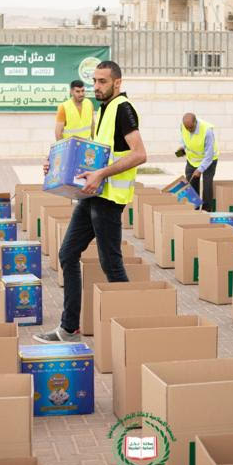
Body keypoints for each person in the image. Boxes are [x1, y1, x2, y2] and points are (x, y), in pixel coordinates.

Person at [34, 60, 146, 343]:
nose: (96, 87)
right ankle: (69, 327)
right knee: (68, 253)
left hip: (109, 199)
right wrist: (55, 165)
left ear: (117, 83)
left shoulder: (123, 109)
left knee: (111, 264)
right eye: (94, 81)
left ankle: (136, 331)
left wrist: (102, 173)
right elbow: (92, 154)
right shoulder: (104, 109)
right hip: (94, 194)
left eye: (102, 82)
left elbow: (139, 154)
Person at [176, 112, 218, 211]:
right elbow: (184, 138)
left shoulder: (207, 131)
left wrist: (200, 169)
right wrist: (182, 147)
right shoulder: (183, 126)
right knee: (191, 186)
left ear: (195, 122)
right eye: (187, 128)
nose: (189, 130)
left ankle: (206, 211)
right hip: (192, 160)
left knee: (207, 187)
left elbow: (209, 155)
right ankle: (193, 209)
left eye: (191, 128)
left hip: (209, 161)